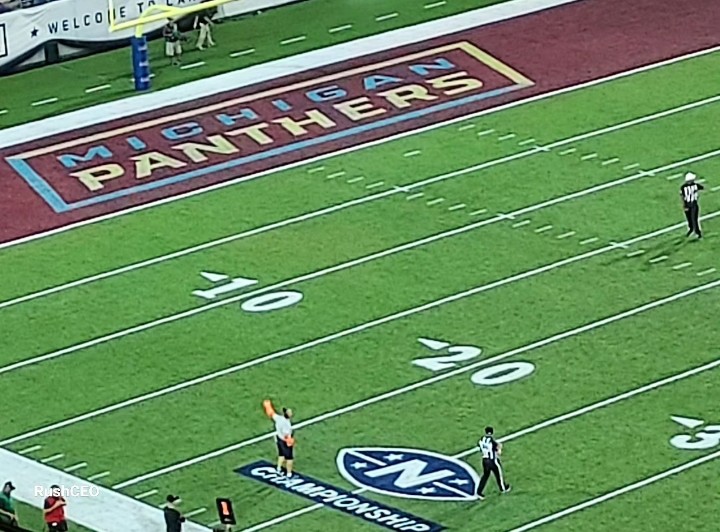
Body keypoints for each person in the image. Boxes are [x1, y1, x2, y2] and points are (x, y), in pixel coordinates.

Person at [475, 427, 510, 500]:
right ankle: (503, 488)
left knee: (485, 476)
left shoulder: (481, 439)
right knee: (498, 474)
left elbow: (480, 447)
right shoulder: (492, 441)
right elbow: (498, 451)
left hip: (484, 460)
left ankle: (479, 492)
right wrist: (500, 447)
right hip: (492, 461)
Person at [263, 399, 295, 477]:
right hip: (285, 441)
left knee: (281, 455)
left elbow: (271, 414)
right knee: (289, 458)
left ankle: (278, 468)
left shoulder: (279, 418)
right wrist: (290, 441)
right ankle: (289, 473)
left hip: (278, 439)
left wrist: (268, 406)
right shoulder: (286, 424)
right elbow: (286, 435)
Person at [681, 172, 704, 239]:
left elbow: (702, 187)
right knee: (689, 219)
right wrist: (684, 206)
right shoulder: (683, 187)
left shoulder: (695, 185)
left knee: (694, 219)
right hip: (688, 204)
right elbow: (682, 197)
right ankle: (691, 229)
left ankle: (698, 232)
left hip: (694, 204)